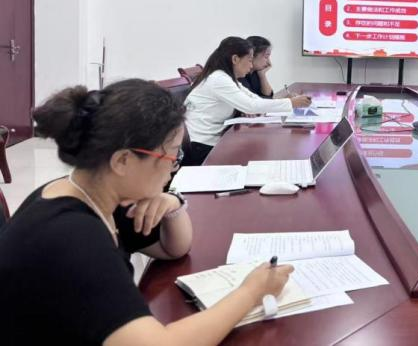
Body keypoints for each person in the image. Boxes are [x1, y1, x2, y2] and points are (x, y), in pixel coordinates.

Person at [0, 79, 294, 344]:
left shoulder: (97, 193)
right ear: (123, 161)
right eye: (172, 155)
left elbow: (173, 249)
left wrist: (172, 204)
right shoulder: (73, 236)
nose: (173, 167)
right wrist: (251, 292)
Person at [184, 37, 311, 166]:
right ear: (235, 59)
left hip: (216, 140)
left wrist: (288, 101)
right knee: (262, 153)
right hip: (203, 148)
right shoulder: (218, 79)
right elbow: (250, 106)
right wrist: (291, 103)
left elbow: (254, 99)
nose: (251, 66)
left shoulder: (226, 78)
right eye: (249, 60)